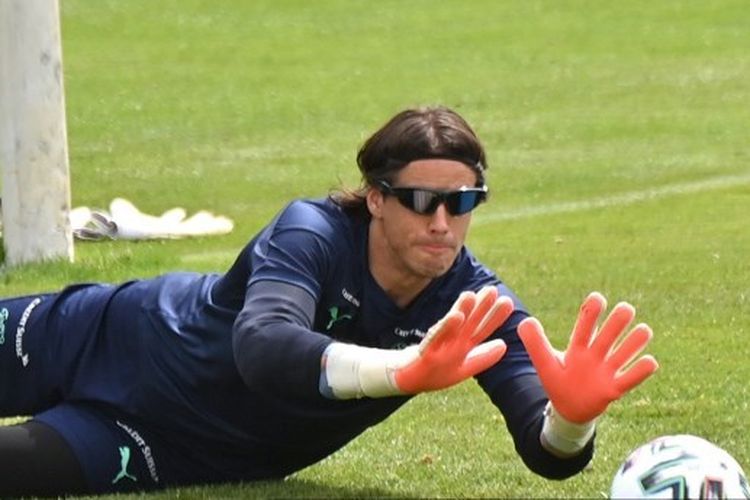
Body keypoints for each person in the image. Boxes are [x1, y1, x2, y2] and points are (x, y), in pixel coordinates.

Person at [0, 106, 659, 496]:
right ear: (376, 197)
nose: (443, 223)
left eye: (462, 204)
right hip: (98, 336)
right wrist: (403, 371)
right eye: (423, 201)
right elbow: (263, 346)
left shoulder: (475, 304)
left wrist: (571, 421)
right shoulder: (311, 232)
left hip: (165, 445)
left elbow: (546, 452)